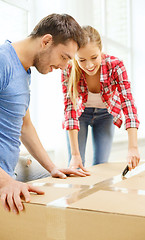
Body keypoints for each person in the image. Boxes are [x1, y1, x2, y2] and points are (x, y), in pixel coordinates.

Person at [0, 13, 90, 214]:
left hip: (8, 172)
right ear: (46, 41)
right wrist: (6, 182)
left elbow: (25, 126)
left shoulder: (23, 71)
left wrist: (52, 168)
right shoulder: (3, 61)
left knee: (69, 189)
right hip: (3, 178)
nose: (64, 67)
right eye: (64, 57)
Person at [61, 26, 140, 172]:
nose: (89, 65)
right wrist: (74, 154)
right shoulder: (69, 68)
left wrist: (133, 147)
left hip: (105, 115)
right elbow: (70, 109)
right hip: (80, 115)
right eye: (82, 60)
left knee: (101, 164)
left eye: (94, 57)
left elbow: (128, 104)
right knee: (76, 165)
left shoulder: (116, 65)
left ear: (101, 50)